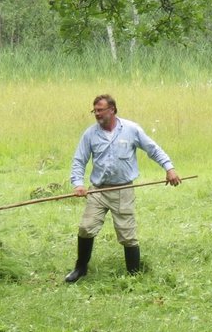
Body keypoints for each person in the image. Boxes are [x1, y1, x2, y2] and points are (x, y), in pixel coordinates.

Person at [64, 94, 182, 282]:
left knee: (127, 235)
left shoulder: (131, 129)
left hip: (123, 190)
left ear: (112, 110)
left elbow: (153, 149)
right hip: (98, 191)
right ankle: (80, 268)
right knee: (86, 228)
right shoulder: (90, 134)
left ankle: (133, 275)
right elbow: (79, 160)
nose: (96, 114)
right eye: (94, 110)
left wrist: (169, 168)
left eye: (100, 110)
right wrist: (78, 184)